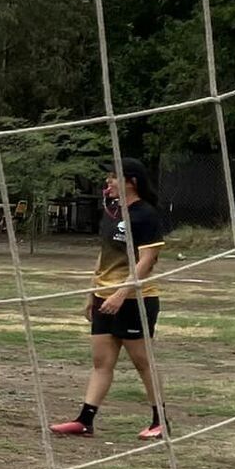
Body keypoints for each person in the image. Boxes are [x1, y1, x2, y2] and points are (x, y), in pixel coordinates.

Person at [52, 158, 169, 441]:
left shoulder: (146, 214)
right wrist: (91, 293)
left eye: (113, 177)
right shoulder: (112, 212)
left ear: (132, 181)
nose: (108, 182)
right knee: (101, 362)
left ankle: (160, 421)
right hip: (103, 297)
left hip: (135, 300)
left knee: (142, 361)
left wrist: (121, 293)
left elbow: (146, 261)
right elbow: (103, 256)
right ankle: (85, 421)